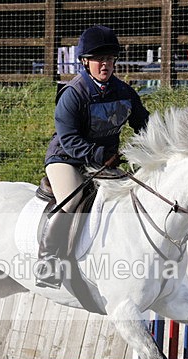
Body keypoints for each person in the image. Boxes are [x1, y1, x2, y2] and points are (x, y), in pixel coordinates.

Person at [36, 25, 150, 289]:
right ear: (85, 62)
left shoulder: (125, 93)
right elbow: (70, 140)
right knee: (73, 198)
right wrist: (102, 154)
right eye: (100, 59)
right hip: (67, 159)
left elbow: (143, 124)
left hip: (103, 162)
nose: (106, 65)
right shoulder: (73, 94)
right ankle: (48, 260)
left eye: (110, 59)